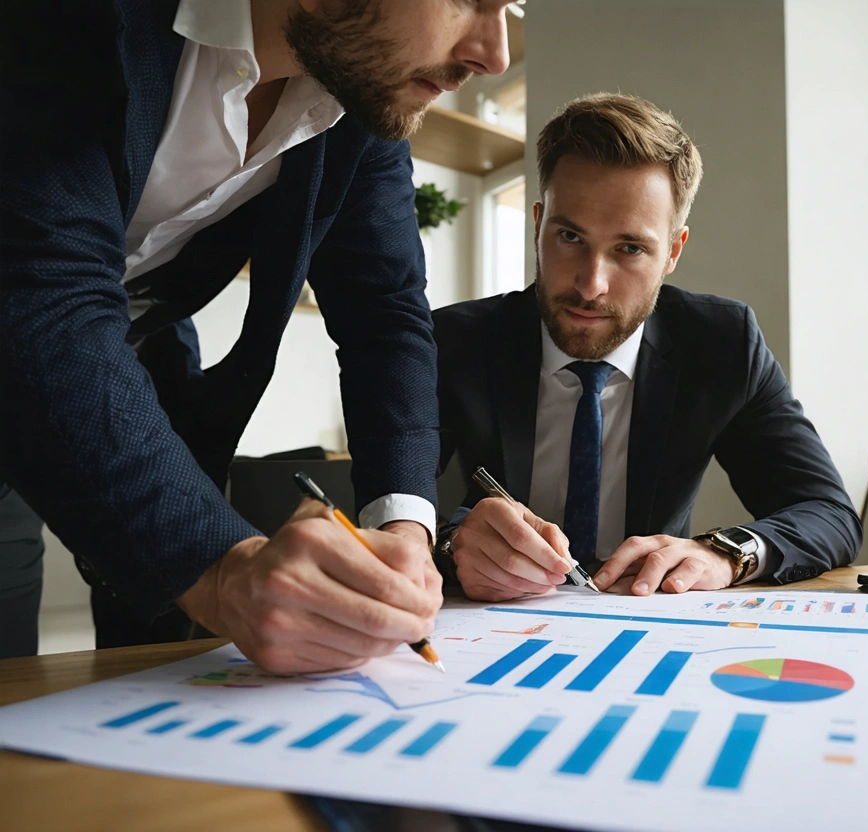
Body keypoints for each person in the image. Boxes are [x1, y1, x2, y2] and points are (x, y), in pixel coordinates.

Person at [0, 0, 514, 669]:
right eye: (472, 1)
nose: (496, 54)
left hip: (136, 366)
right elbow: (46, 288)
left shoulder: (356, 98)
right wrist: (220, 569)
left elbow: (384, 313)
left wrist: (404, 526)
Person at [433, 94, 861, 602]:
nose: (591, 285)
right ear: (538, 223)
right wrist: (451, 544)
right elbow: (374, 504)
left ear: (673, 252)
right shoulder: (454, 341)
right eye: (570, 236)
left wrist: (725, 553)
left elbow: (828, 514)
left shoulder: (722, 342)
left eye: (630, 249)